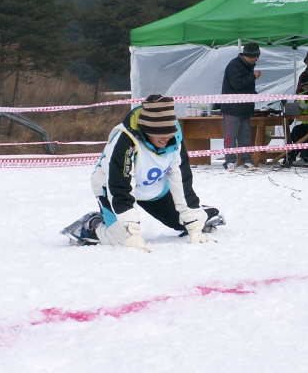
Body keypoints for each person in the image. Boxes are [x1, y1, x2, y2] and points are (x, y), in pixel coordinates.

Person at [60, 95, 225, 252]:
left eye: (168, 133)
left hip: (153, 187)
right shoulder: (125, 140)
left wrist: (194, 224)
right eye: (159, 133)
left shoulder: (175, 139)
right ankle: (92, 225)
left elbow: (181, 181)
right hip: (110, 188)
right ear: (146, 129)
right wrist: (131, 231)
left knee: (185, 223)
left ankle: (202, 213)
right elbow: (120, 186)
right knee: (123, 239)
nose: (165, 138)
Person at [220, 42, 261, 171]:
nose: (257, 60)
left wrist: (254, 95)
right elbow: (237, 84)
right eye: (256, 57)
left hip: (245, 108)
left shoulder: (248, 66)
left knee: (245, 136)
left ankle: (247, 160)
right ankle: (230, 161)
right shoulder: (234, 65)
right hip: (232, 108)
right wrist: (253, 77)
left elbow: (245, 86)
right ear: (249, 56)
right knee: (230, 136)